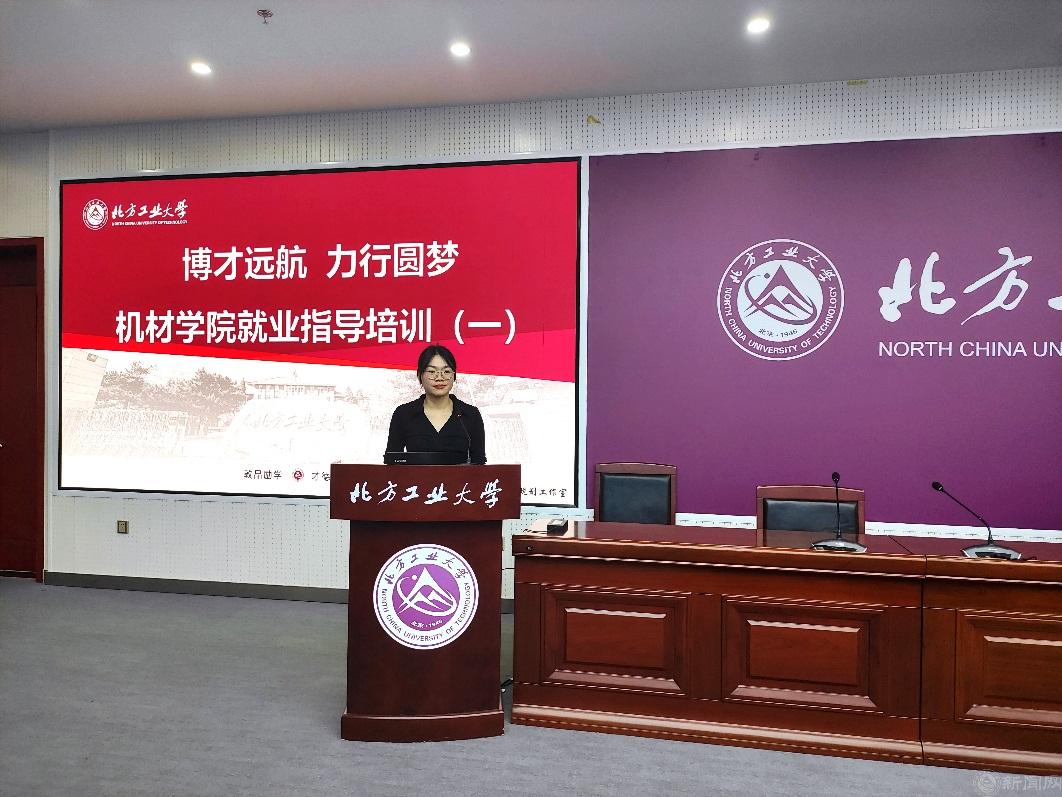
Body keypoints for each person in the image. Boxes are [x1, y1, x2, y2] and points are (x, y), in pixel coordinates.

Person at [384, 344, 486, 464]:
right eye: (432, 371)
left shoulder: (470, 414)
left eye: (446, 371)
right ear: (420, 375)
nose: (439, 378)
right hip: (415, 477)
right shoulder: (404, 414)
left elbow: (479, 463)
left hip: (460, 477)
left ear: (454, 376)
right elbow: (392, 462)